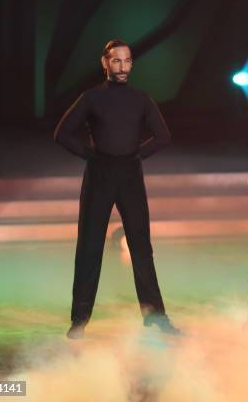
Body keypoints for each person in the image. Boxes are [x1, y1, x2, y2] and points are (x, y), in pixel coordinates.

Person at [54, 39, 179, 339]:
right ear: (105, 63)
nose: (122, 66)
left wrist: (136, 156)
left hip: (130, 177)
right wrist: (91, 156)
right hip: (99, 176)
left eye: (127, 61)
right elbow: (62, 133)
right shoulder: (91, 98)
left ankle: (155, 316)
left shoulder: (141, 99)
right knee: (89, 247)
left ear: (131, 64)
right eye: (116, 61)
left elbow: (163, 137)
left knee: (141, 248)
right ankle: (79, 320)